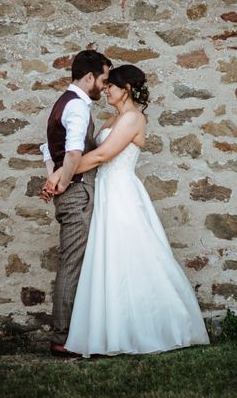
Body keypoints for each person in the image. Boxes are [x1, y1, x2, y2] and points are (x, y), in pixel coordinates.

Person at [44, 64, 210, 358]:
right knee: (106, 260)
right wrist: (60, 172)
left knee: (131, 257)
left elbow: (103, 155)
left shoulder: (134, 118)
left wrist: (60, 176)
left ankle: (148, 328)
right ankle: (110, 329)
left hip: (121, 192)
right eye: (105, 85)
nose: (105, 89)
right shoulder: (112, 118)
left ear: (126, 90)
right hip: (104, 191)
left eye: (111, 86)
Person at [39, 50, 112, 357]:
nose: (104, 87)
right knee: (71, 264)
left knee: (73, 262)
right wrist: (64, 182)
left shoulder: (61, 103)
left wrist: (53, 180)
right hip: (78, 193)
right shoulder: (79, 106)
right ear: (90, 77)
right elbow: (71, 154)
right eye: (103, 80)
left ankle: (70, 332)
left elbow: (47, 149)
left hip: (69, 191)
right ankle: (62, 337)